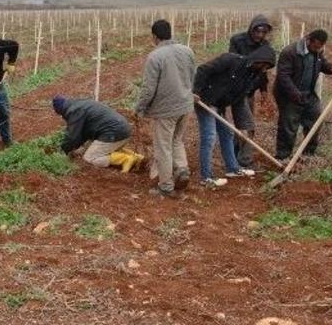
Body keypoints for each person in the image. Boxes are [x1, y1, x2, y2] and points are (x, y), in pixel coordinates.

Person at [193, 46, 276, 188]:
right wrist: (196, 91)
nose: (263, 69)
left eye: (266, 67)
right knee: (209, 137)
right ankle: (206, 177)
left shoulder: (252, 76)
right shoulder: (230, 60)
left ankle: (232, 169)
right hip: (205, 100)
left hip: (219, 105)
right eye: (263, 65)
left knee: (227, 132)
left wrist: (242, 126)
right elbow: (202, 70)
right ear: (257, 60)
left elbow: (239, 98)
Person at [135, 20, 196, 198]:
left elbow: (148, 89)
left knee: (163, 147)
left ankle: (166, 187)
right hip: (185, 105)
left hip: (165, 110)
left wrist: (140, 108)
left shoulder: (155, 57)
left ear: (154, 36)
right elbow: (193, 76)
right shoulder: (187, 51)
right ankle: (182, 170)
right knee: (176, 141)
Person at [274, 29, 332, 160]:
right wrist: (294, 93)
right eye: (315, 46)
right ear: (308, 39)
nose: (317, 50)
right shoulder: (290, 52)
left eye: (320, 47)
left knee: (315, 121)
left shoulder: (317, 51)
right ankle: (283, 156)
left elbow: (322, 63)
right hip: (289, 95)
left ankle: (308, 154)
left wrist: (330, 68)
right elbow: (283, 76)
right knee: (288, 125)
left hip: (309, 94)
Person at [228, 15, 273, 170]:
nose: (260, 35)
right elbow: (232, 63)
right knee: (248, 125)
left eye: (264, 32)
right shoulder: (237, 41)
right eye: (258, 31)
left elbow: (263, 70)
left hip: (251, 90)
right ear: (251, 29)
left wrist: (264, 90)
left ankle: (234, 153)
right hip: (238, 90)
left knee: (243, 124)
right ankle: (244, 160)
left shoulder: (265, 44)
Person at [52, 95, 144, 172]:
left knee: (89, 158)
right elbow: (83, 133)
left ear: (60, 110)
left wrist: (63, 151)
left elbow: (72, 137)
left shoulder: (73, 112)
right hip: (122, 129)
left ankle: (125, 159)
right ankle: (136, 157)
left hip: (114, 132)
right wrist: (75, 148)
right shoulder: (79, 104)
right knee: (94, 149)